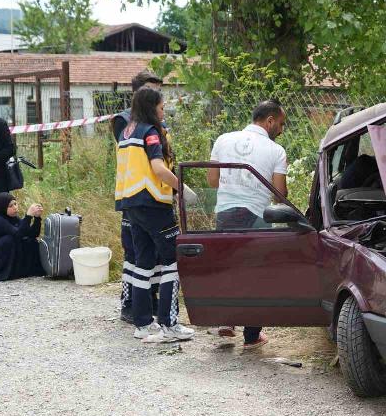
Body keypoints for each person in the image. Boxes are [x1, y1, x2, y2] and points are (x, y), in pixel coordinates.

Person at [206, 99, 288, 348]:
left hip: (225, 213)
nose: (282, 129)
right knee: (257, 275)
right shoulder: (276, 151)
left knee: (228, 268)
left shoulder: (223, 139)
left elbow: (212, 181)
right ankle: (252, 337)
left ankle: (226, 321)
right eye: (281, 124)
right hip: (257, 216)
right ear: (270, 121)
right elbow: (279, 194)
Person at [115, 87, 194, 343]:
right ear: (152, 107)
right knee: (172, 261)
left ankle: (142, 325)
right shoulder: (150, 133)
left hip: (131, 205)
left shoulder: (127, 132)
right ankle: (169, 324)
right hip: (153, 203)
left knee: (143, 264)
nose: (163, 111)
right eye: (161, 107)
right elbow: (158, 168)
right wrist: (180, 188)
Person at [111, 71, 164, 323]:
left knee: (152, 255)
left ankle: (149, 303)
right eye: (151, 91)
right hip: (134, 195)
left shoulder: (158, 122)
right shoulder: (123, 121)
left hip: (155, 196)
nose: (157, 97)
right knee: (133, 253)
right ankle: (129, 304)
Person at [0, 193, 45, 282]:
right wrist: (28, 216)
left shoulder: (14, 218)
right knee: (8, 239)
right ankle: (4, 272)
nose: (15, 207)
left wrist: (37, 218)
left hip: (3, 251)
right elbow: (18, 234)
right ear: (3, 207)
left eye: (15, 204)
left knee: (30, 241)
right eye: (10, 206)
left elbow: (32, 234)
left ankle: (27, 270)